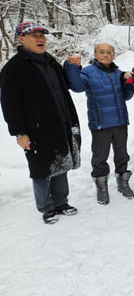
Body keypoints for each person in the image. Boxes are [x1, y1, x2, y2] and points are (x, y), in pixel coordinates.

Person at [0, 22, 81, 224]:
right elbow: (10, 104)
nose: (40, 39)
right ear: (21, 39)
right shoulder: (13, 68)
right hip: (36, 130)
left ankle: (61, 202)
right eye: (34, 35)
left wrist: (70, 67)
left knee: (62, 163)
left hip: (60, 123)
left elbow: (64, 87)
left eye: (42, 35)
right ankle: (46, 207)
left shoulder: (50, 61)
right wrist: (19, 132)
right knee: (41, 169)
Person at [64, 43, 134, 204]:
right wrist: (72, 67)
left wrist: (130, 83)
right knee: (100, 157)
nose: (105, 55)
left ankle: (123, 183)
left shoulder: (118, 73)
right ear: (95, 54)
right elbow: (76, 87)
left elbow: (126, 96)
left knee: (122, 155)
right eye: (101, 52)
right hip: (100, 124)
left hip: (120, 122)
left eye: (109, 52)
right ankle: (101, 187)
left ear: (113, 55)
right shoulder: (88, 72)